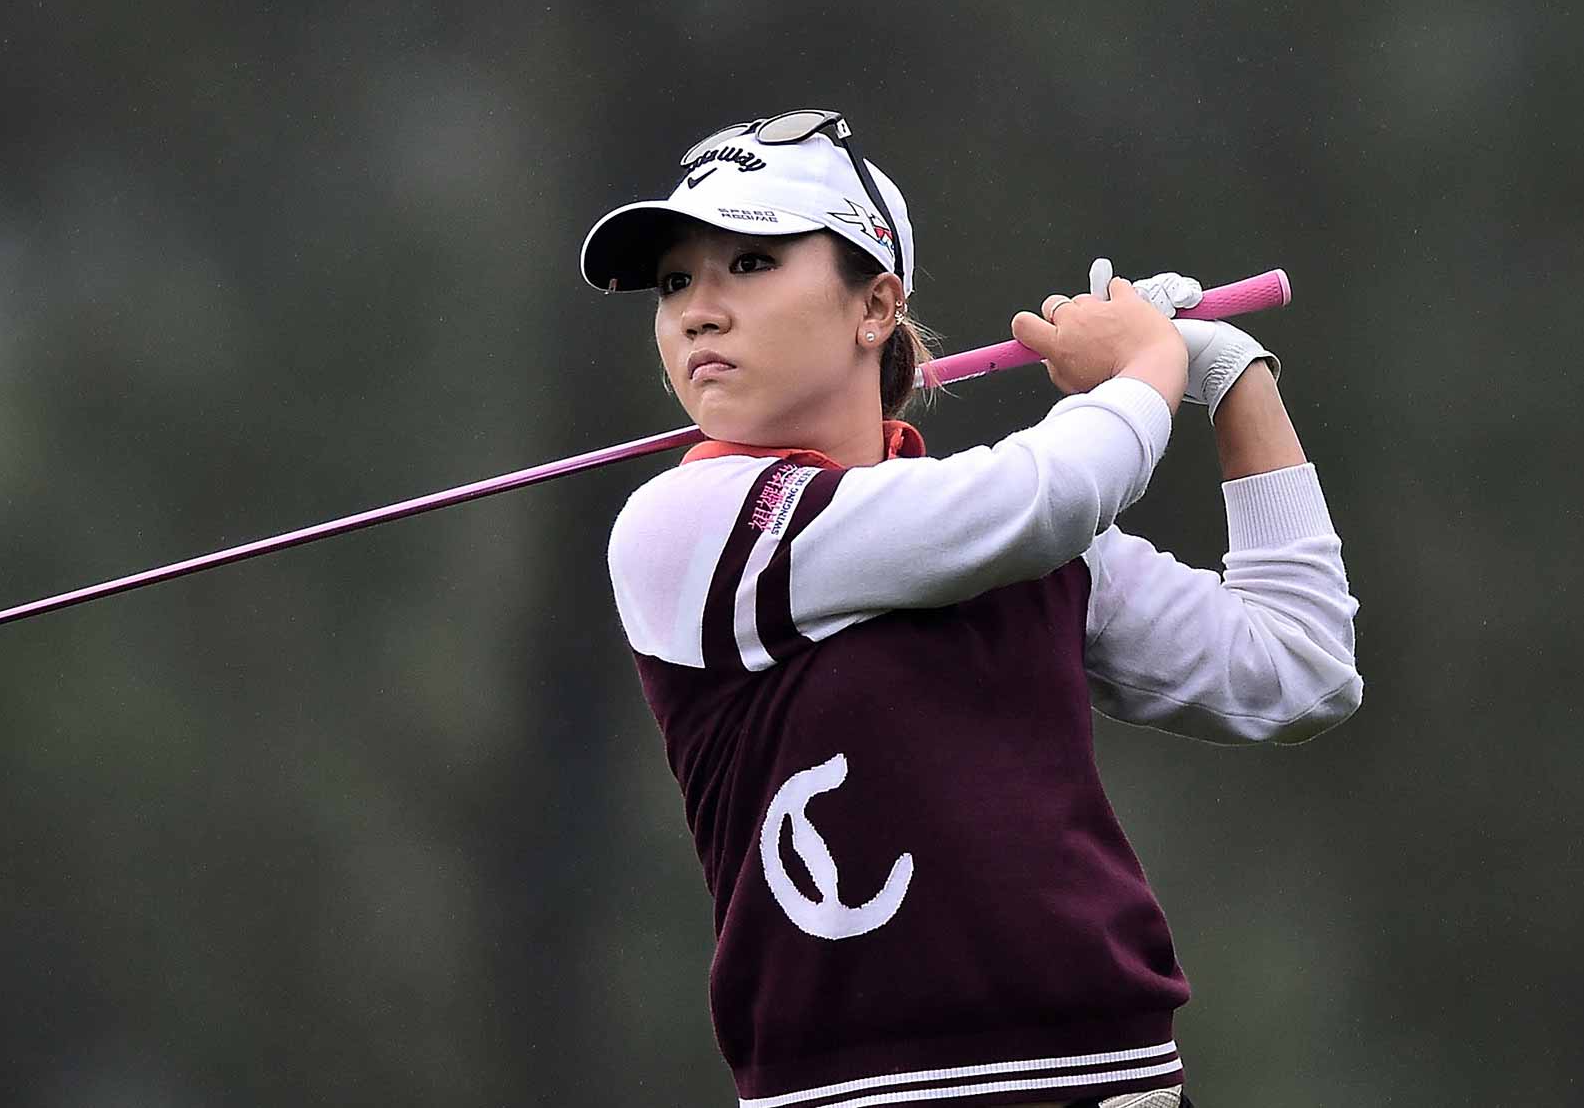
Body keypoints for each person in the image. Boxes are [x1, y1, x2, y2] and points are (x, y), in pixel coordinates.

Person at [580, 109, 1362, 1108]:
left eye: (749, 263)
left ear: (874, 307)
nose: (697, 310)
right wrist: (1143, 368)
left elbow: (1296, 670)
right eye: (676, 281)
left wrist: (1224, 374)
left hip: (1116, 1085)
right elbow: (1039, 496)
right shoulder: (684, 524)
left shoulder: (1017, 538)